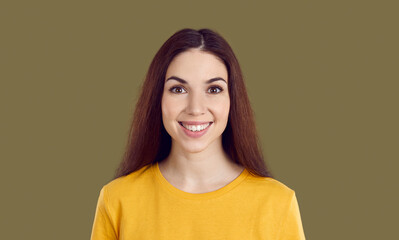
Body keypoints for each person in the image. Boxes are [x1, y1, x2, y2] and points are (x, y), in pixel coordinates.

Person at [90, 28, 306, 240]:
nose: (195, 108)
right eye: (178, 89)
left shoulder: (277, 204)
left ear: (232, 100)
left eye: (213, 89)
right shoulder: (117, 200)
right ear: (158, 98)